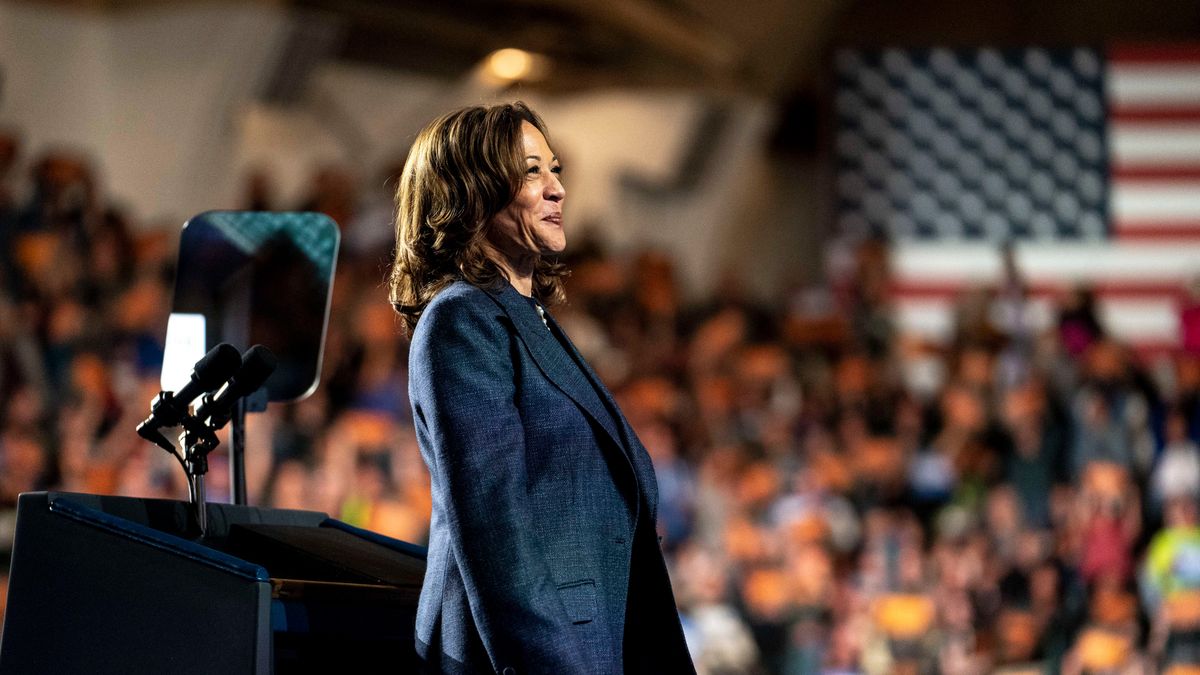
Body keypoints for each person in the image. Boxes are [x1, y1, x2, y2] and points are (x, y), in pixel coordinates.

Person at [389, 101, 695, 674]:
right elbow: (496, 532)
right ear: (471, 192)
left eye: (555, 169)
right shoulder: (463, 321)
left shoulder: (532, 322)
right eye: (532, 171)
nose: (558, 189)